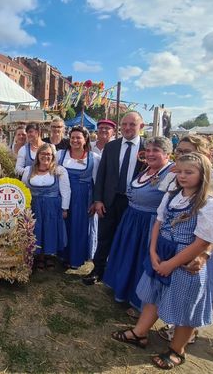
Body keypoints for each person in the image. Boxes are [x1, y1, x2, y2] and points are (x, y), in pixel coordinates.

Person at [111, 153, 213, 370]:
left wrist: (171, 263)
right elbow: (158, 221)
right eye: (180, 171)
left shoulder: (210, 205)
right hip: (162, 250)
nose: (182, 176)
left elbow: (202, 242)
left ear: (203, 174)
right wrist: (153, 250)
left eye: (189, 172)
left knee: (184, 303)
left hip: (184, 258)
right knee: (153, 295)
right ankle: (140, 333)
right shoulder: (173, 196)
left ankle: (177, 350)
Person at [156, 134, 213, 342]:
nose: (183, 155)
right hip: (170, 235)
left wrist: (205, 253)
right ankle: (172, 323)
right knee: (170, 285)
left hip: (195, 246)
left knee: (188, 291)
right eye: (180, 152)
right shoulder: (177, 175)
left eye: (188, 152)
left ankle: (185, 334)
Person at [103, 137, 173, 314]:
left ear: (167, 154)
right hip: (132, 219)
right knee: (128, 256)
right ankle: (122, 289)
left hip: (148, 224)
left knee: (140, 262)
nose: (150, 154)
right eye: (148, 150)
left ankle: (138, 301)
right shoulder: (146, 169)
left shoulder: (171, 173)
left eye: (155, 150)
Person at [84, 111, 145, 285]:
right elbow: (101, 175)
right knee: (105, 237)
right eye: (124, 124)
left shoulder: (147, 148)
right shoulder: (111, 147)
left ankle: (120, 275)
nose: (127, 128)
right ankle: (98, 270)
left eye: (132, 124)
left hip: (133, 203)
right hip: (110, 201)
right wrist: (98, 200)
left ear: (141, 126)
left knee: (127, 240)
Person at [21, 143, 71, 270]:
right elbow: (23, 189)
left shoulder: (59, 170)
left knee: (50, 229)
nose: (46, 156)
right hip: (34, 205)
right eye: (43, 154)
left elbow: (66, 190)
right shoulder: (28, 170)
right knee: (36, 230)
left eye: (49, 154)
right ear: (38, 156)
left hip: (52, 206)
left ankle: (49, 256)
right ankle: (39, 257)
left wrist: (65, 208)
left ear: (53, 156)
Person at [57, 126, 100, 268]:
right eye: (72, 137)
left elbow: (97, 181)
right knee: (65, 225)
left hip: (83, 197)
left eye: (78, 137)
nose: (75, 140)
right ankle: (62, 256)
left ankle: (77, 259)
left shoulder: (93, 158)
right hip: (63, 195)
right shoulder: (61, 155)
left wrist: (95, 201)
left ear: (85, 139)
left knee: (80, 227)